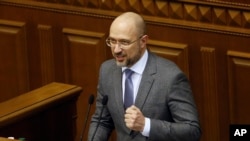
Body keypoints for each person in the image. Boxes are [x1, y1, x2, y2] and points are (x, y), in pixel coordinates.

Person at [88, 12, 201, 141]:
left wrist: (146, 125)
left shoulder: (170, 77)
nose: (116, 50)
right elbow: (101, 121)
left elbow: (192, 130)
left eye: (124, 42)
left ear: (143, 41)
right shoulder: (107, 71)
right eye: (112, 41)